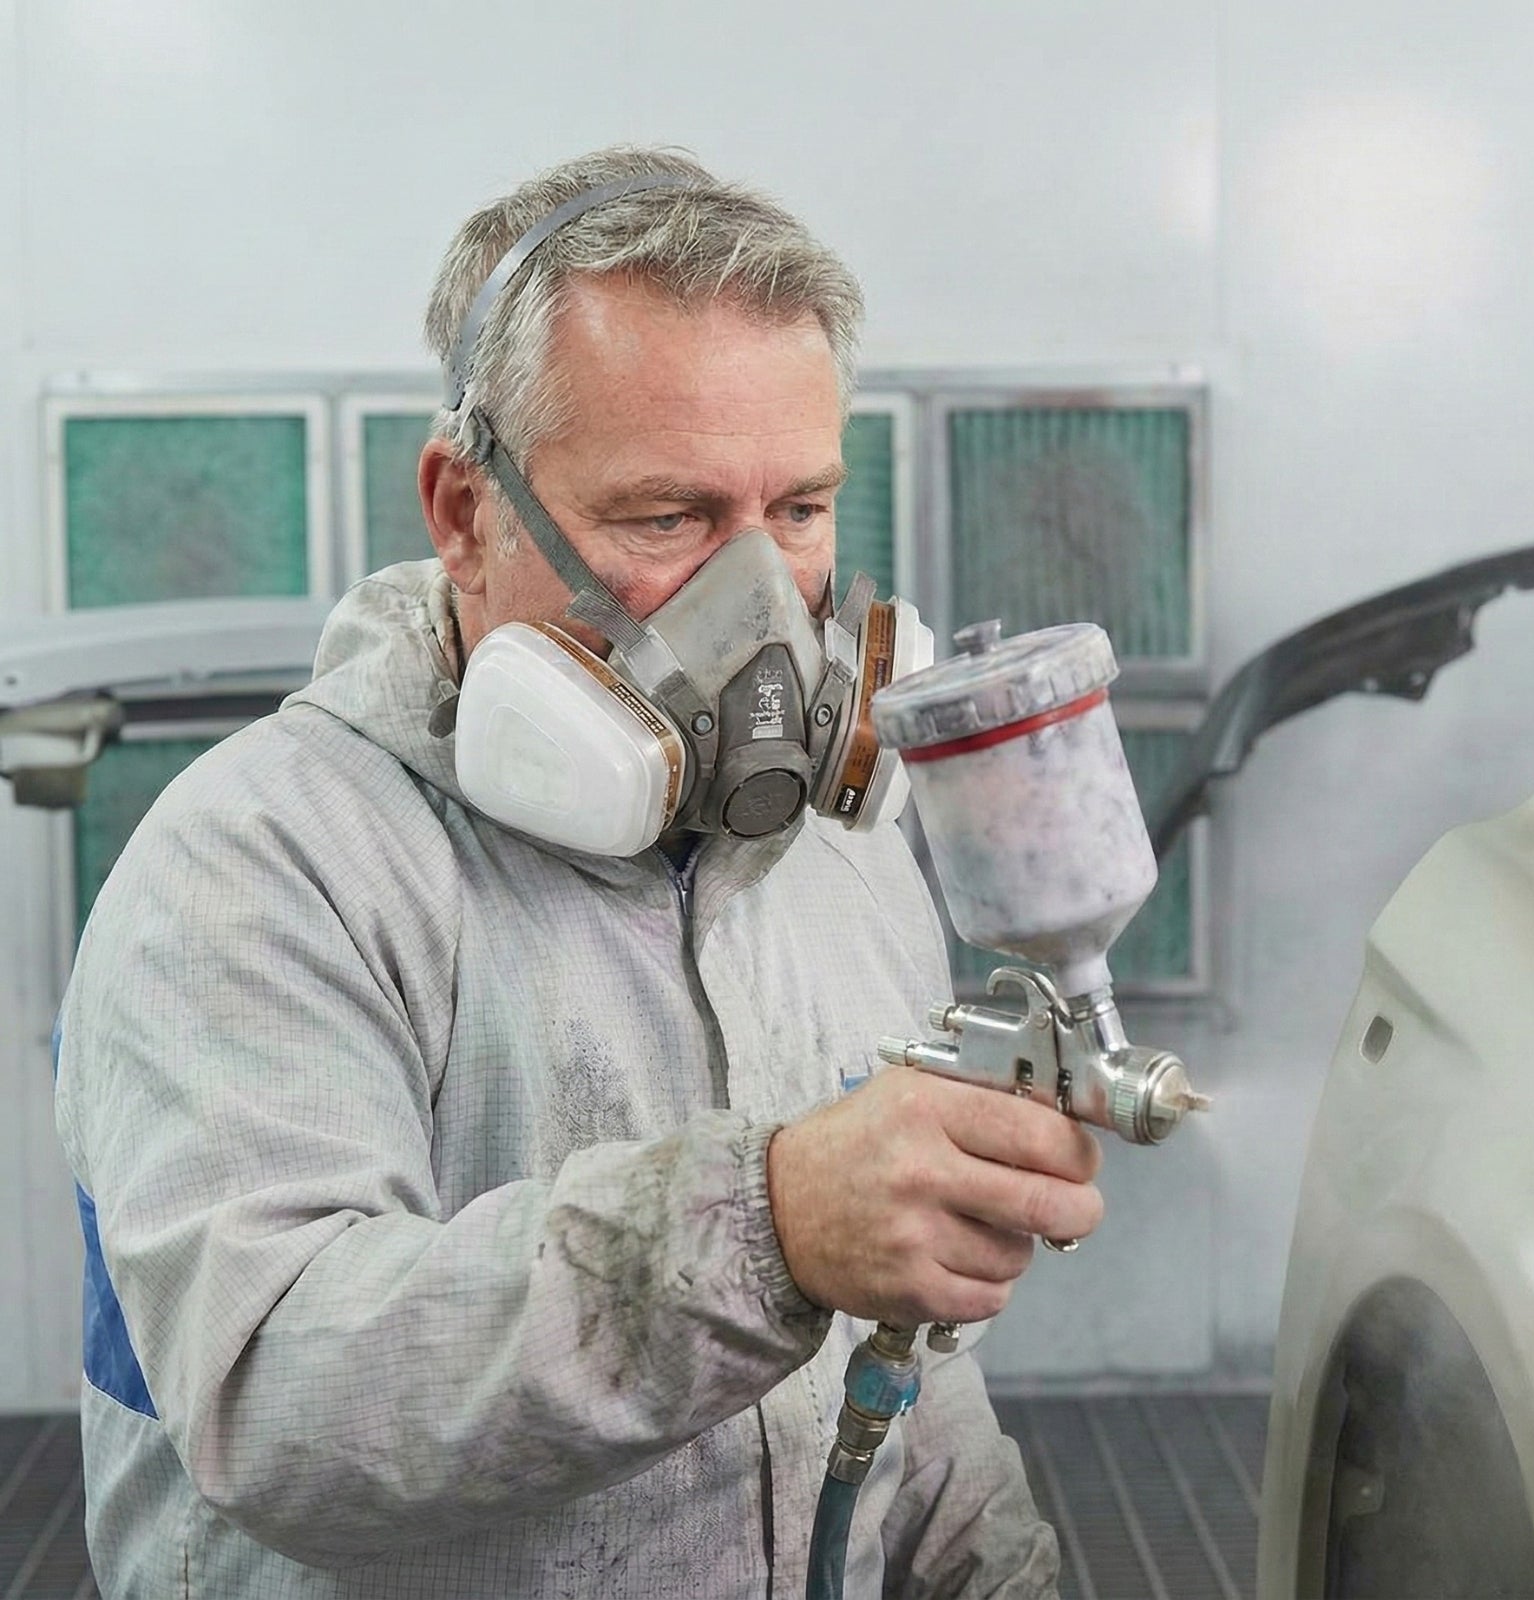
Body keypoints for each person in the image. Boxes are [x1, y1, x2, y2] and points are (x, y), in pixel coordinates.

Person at [54, 146, 1104, 1598]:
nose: (763, 615)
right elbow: (278, 1398)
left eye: (798, 511)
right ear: (464, 513)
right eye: (665, 519)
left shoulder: (840, 862)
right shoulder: (258, 865)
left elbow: (914, 1382)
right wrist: (771, 1227)